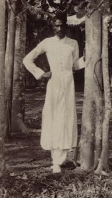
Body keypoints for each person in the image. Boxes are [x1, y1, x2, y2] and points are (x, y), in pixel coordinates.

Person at [22, 13, 85, 173]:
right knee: (54, 116)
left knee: (67, 117)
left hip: (68, 84)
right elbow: (27, 59)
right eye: (56, 25)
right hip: (55, 83)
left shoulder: (73, 43)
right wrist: (42, 73)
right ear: (52, 26)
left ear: (66, 26)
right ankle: (55, 161)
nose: (59, 28)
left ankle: (63, 158)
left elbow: (76, 65)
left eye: (62, 25)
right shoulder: (47, 43)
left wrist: (89, 55)